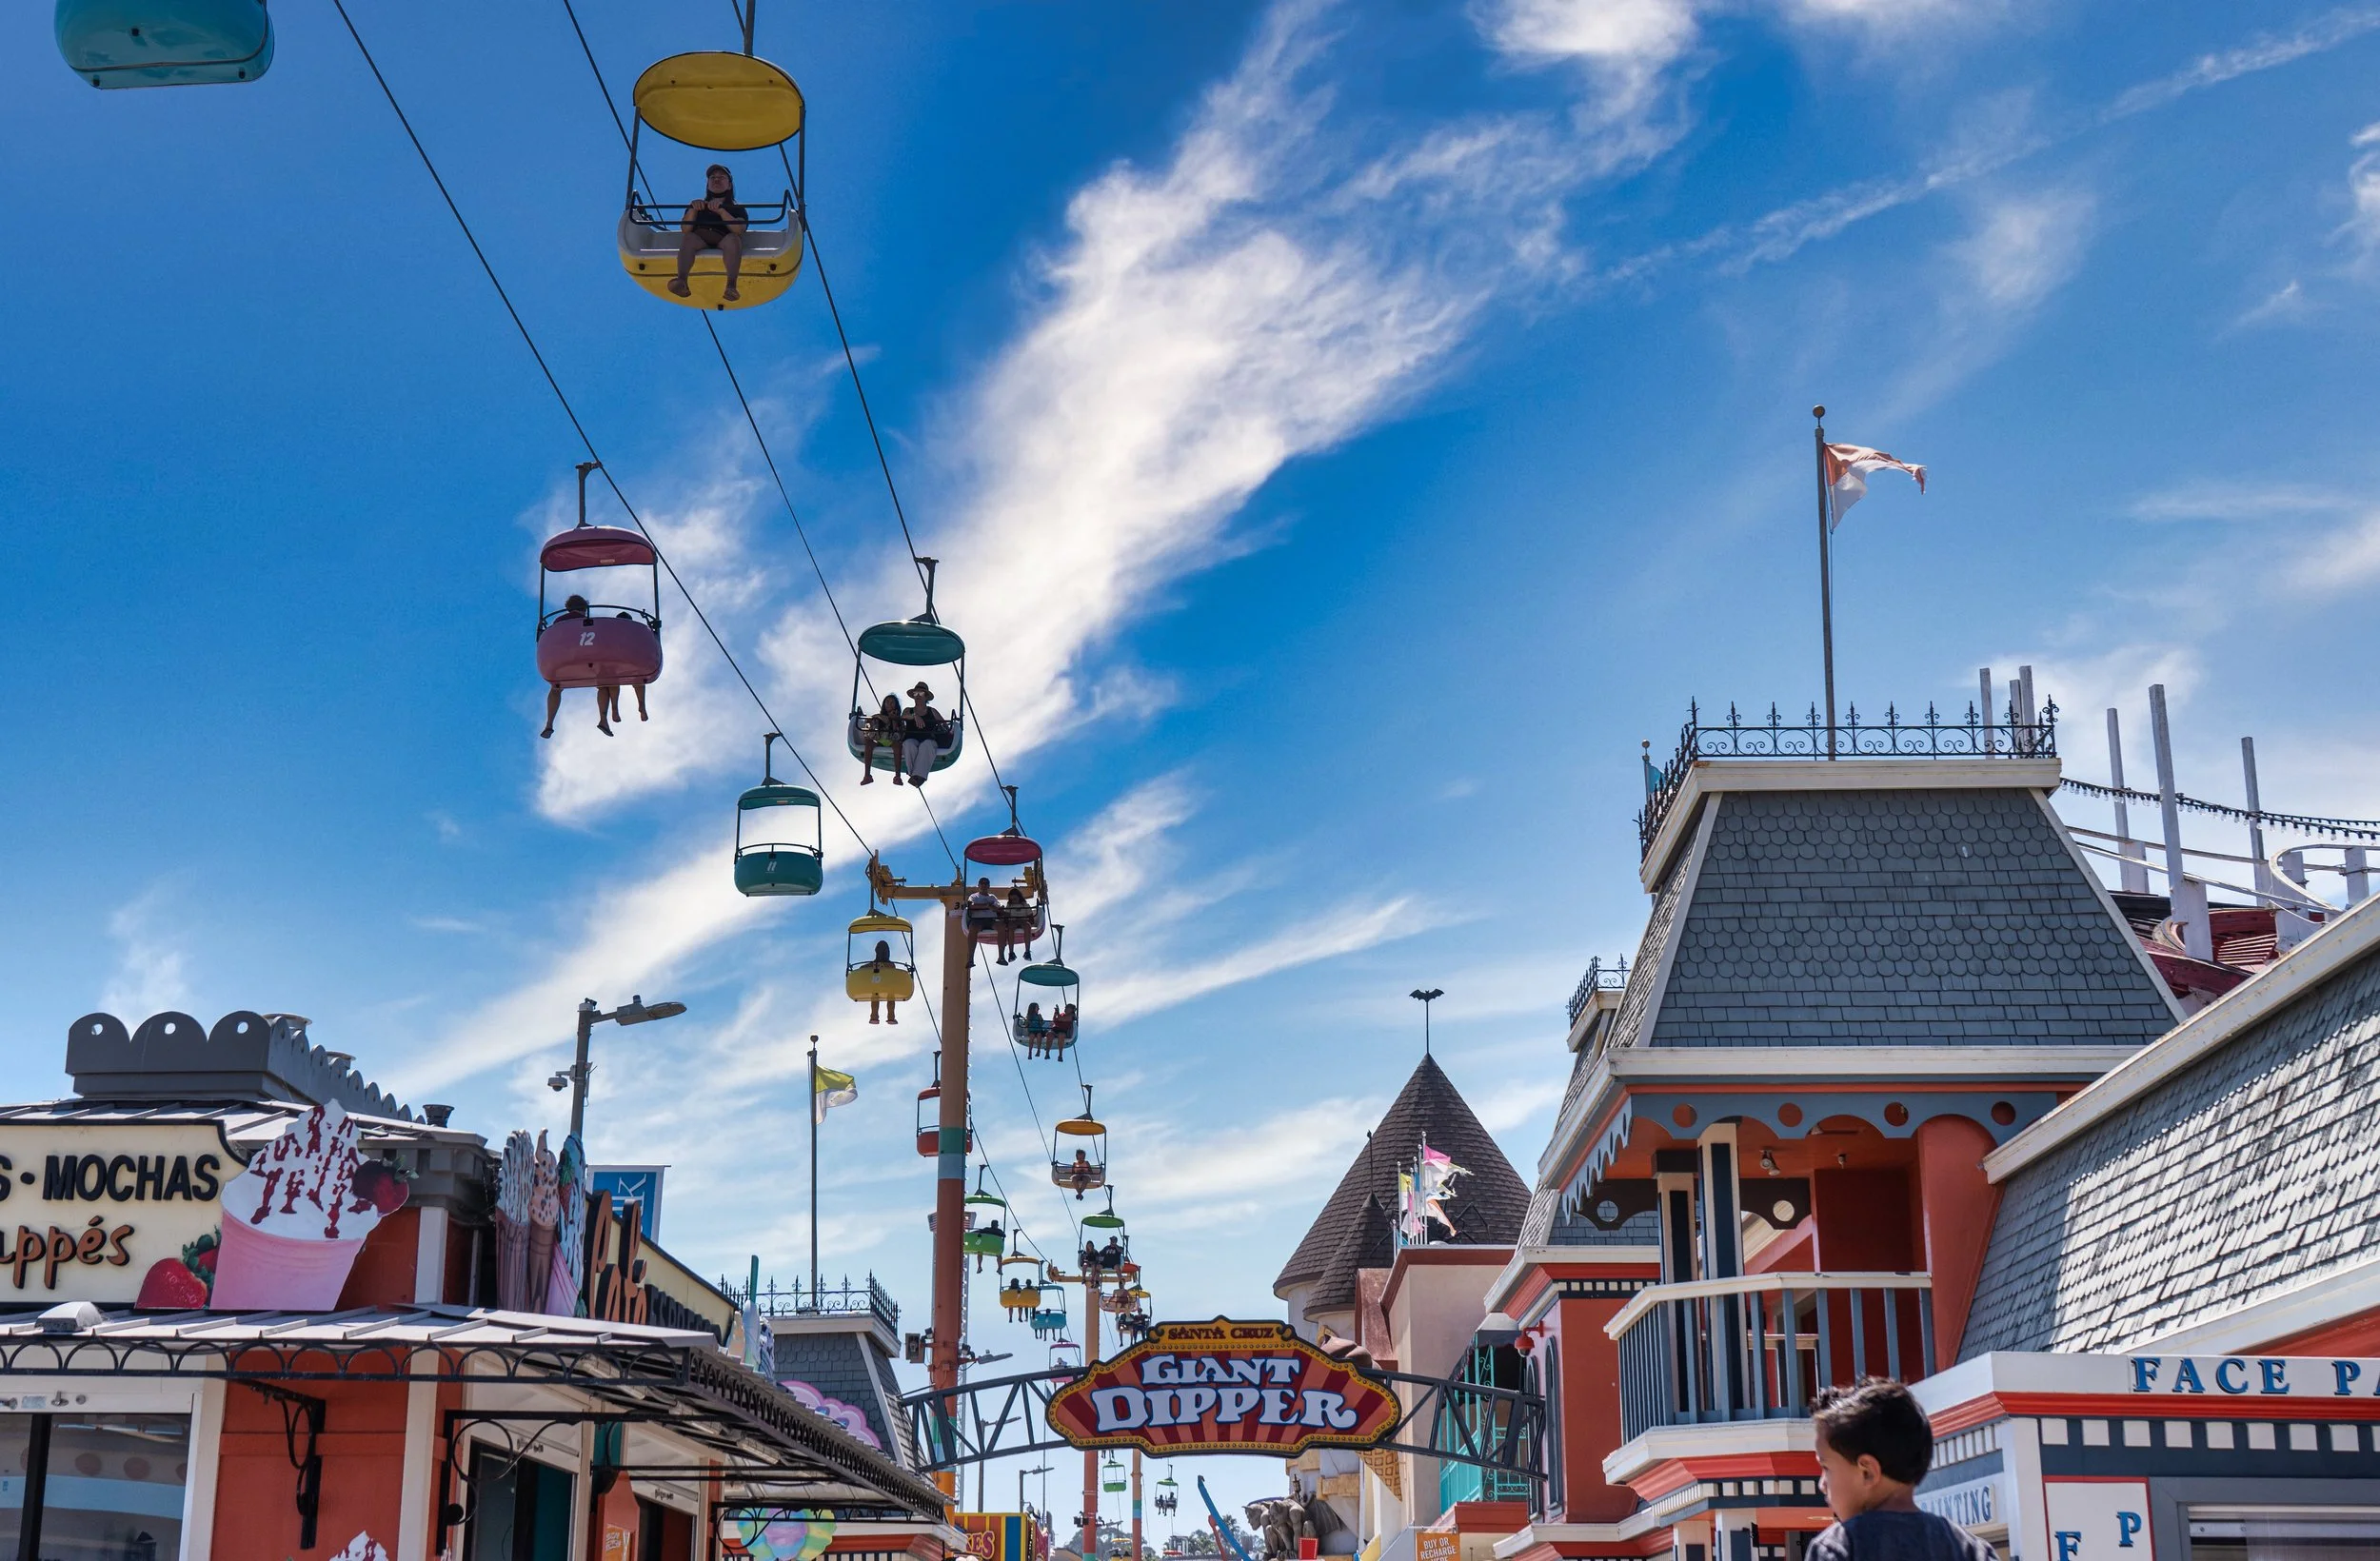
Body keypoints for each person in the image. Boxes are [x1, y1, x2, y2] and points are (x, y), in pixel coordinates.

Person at [1806, 1380, 1995, 1561]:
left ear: (1868, 1472)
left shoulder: (1838, 1548)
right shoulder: (1971, 1549)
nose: (1822, 1484)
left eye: (1826, 1468)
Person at [671, 164, 749, 302]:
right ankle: (682, 280)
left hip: (723, 240)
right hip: (700, 239)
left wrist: (721, 211)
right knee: (689, 238)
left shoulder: (736, 208)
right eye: (712, 177)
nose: (716, 180)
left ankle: (731, 286)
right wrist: (693, 209)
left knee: (733, 239)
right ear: (707, 184)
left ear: (729, 185)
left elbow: (739, 229)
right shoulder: (698, 205)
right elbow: (685, 229)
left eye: (721, 177)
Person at [542, 595, 602, 739]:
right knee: (605, 684)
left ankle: (549, 723)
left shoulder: (559, 622)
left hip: (565, 661)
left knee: (556, 689)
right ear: (584, 608)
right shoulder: (588, 622)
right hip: (587, 660)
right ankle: (604, 719)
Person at [900, 682, 951, 788]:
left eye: (921, 693)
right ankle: (914, 774)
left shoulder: (932, 711)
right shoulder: (908, 710)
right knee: (909, 744)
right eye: (915, 694)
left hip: (928, 739)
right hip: (911, 738)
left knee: (927, 745)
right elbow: (904, 716)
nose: (918, 696)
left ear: (926, 696)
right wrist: (915, 716)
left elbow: (945, 726)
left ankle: (917, 777)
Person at [857, 693, 902, 784]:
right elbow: (872, 731)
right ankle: (867, 775)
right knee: (869, 743)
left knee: (897, 746)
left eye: (892, 702)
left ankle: (897, 776)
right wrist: (881, 718)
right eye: (887, 702)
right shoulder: (878, 718)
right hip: (880, 740)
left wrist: (893, 721)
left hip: (892, 741)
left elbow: (898, 735)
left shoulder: (899, 719)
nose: (889, 704)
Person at [865, 939, 901, 1025]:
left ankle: (874, 1017)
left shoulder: (872, 964)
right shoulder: (891, 965)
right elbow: (895, 976)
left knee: (875, 997)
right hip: (888, 987)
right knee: (891, 998)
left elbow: (862, 968)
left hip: (876, 986)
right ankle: (891, 1018)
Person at [999, 885, 1035, 964]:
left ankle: (1027, 951)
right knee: (1010, 928)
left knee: (1027, 926)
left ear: (1019, 897)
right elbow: (1007, 917)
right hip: (1013, 922)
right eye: (1012, 899)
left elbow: (1031, 918)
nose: (1014, 901)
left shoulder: (1024, 905)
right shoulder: (1010, 906)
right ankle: (1011, 952)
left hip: (1023, 921)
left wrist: (1023, 919)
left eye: (1015, 899)